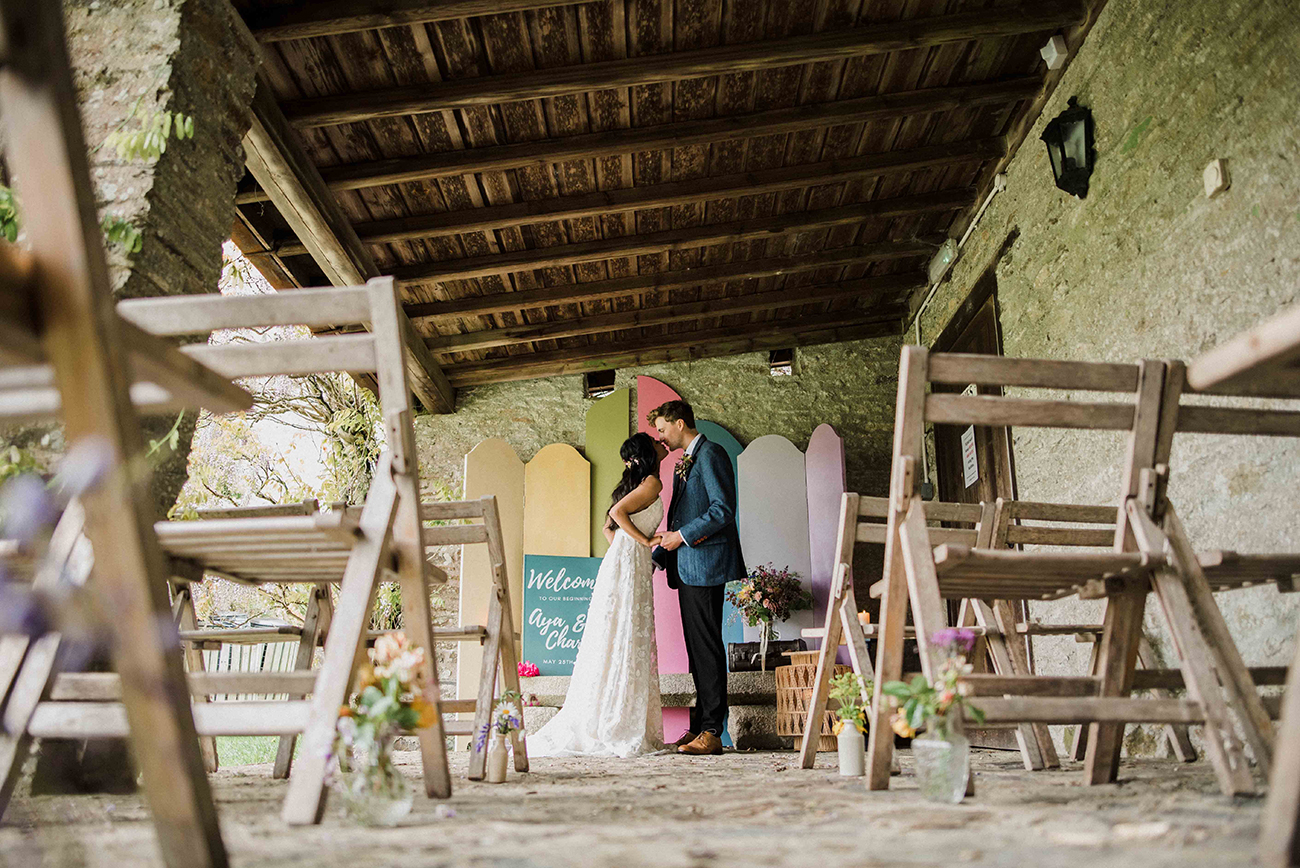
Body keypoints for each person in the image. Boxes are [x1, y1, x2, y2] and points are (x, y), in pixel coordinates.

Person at [526, 432, 669, 758]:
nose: (662, 444)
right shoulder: (652, 483)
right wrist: (644, 543)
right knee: (627, 631)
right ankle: (616, 719)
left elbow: (609, 528)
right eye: (656, 442)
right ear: (647, 452)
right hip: (630, 560)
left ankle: (612, 710)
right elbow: (617, 515)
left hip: (622, 559)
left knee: (618, 632)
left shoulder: (635, 484)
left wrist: (627, 546)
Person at [648, 400, 745, 756]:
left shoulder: (711, 453)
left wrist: (682, 537)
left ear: (679, 422)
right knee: (695, 649)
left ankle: (712, 732)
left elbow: (722, 509)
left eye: (661, 428)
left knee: (706, 646)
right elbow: (678, 521)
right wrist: (658, 554)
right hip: (686, 565)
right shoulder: (684, 461)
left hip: (705, 565)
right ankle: (700, 724)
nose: (659, 436)